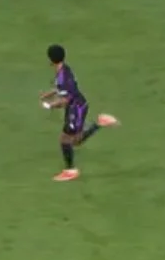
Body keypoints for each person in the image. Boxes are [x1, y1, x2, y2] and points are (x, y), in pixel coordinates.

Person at [40, 44, 119, 182]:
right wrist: (48, 94)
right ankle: (100, 123)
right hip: (76, 106)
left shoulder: (62, 76)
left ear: (51, 59)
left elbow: (65, 100)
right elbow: (61, 89)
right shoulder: (64, 70)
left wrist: (49, 105)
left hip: (76, 108)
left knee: (66, 139)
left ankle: (71, 171)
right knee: (74, 141)